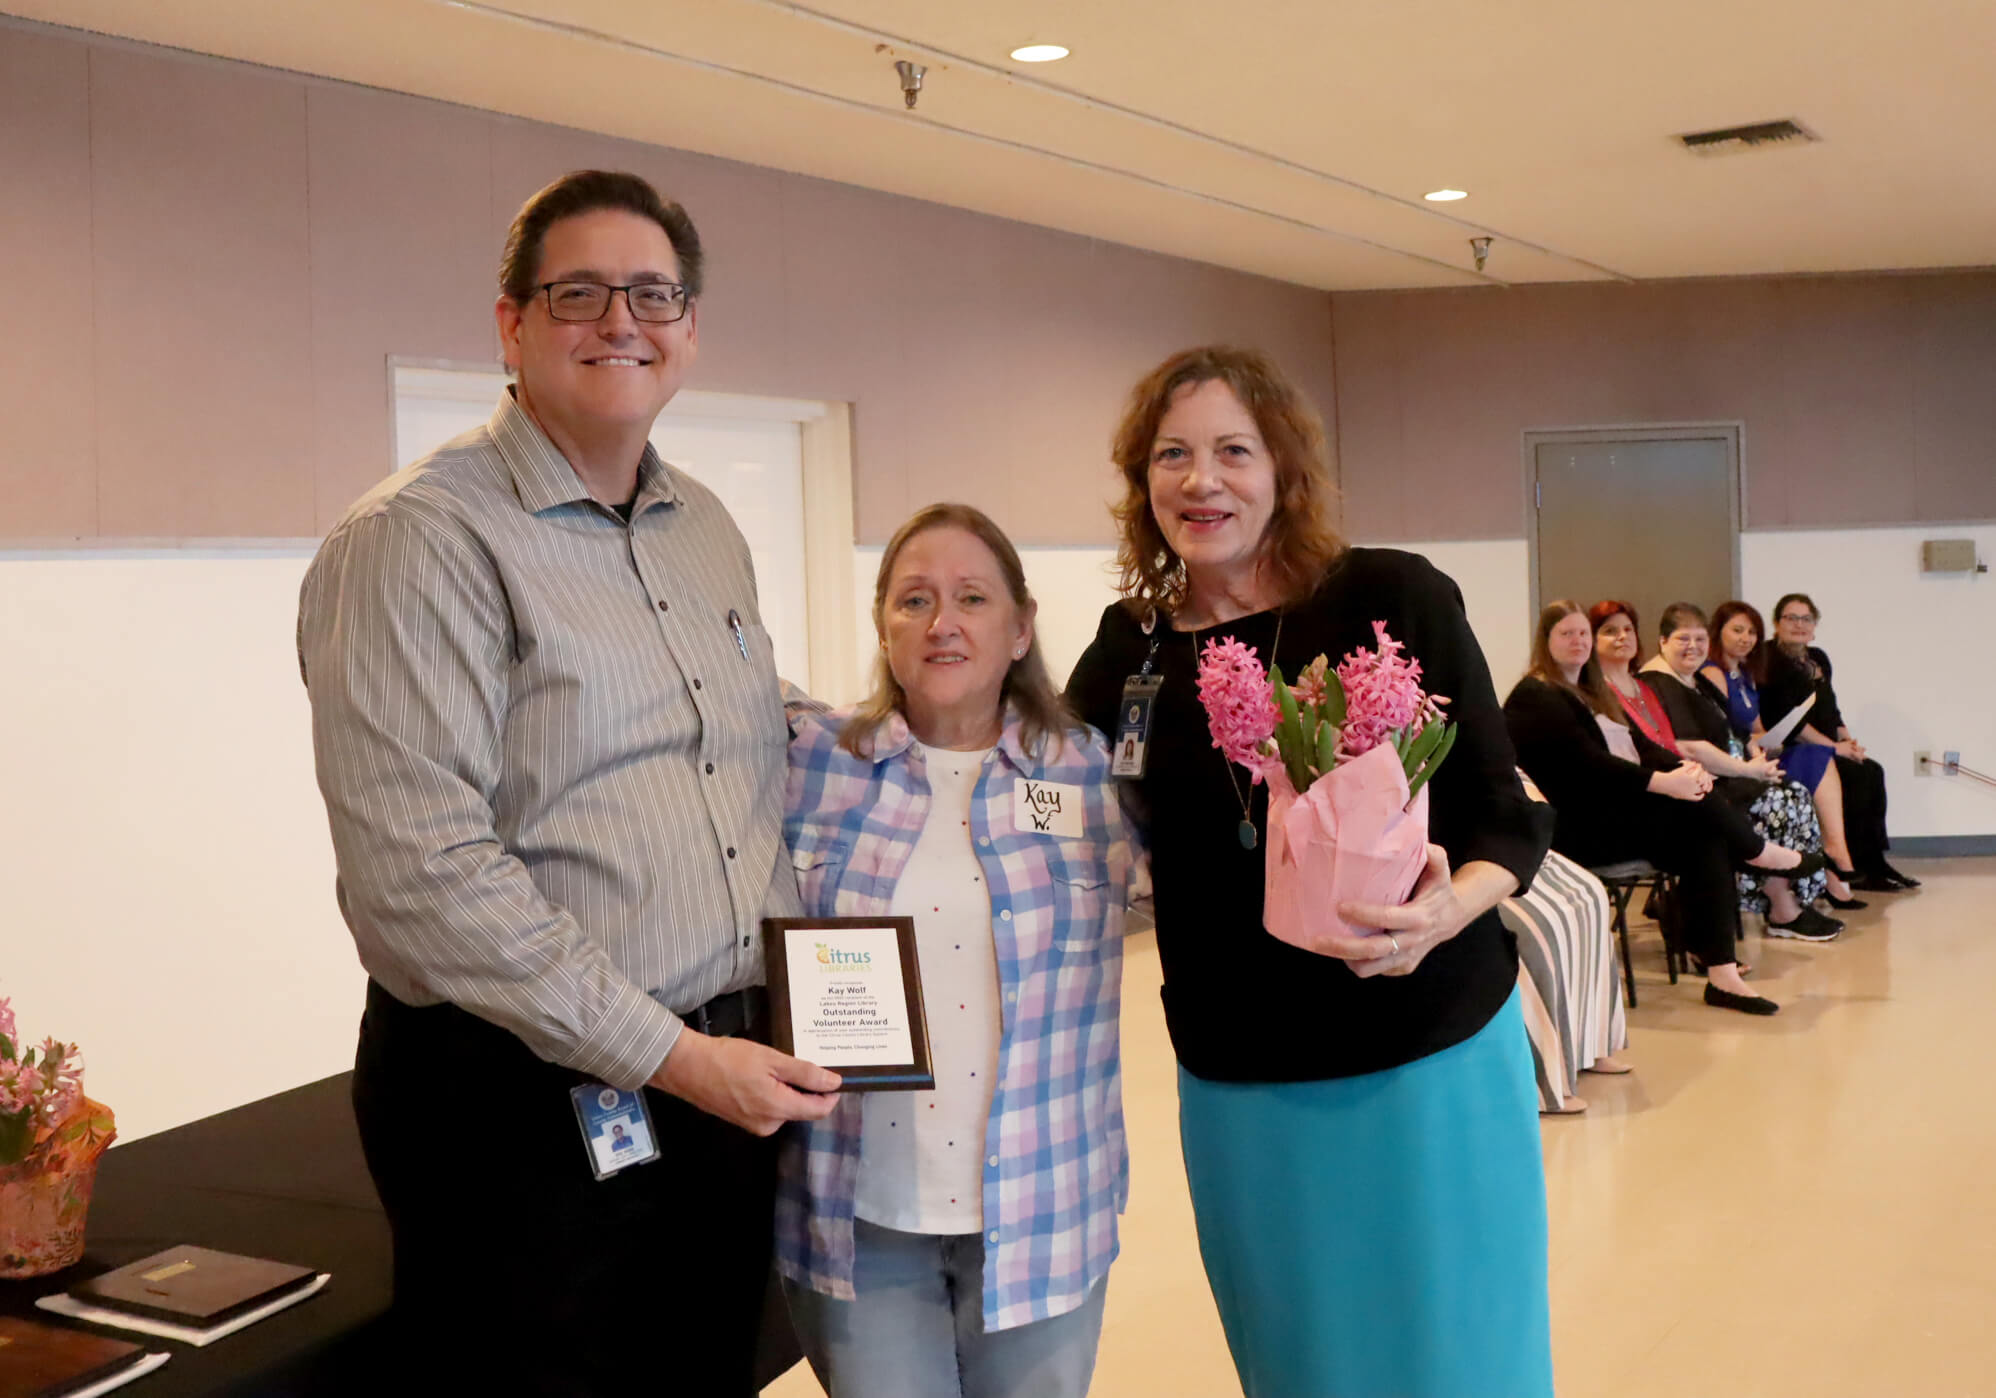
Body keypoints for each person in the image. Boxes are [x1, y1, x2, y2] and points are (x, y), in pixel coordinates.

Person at [298, 170, 839, 1397]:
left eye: (652, 294)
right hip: (517, 1103)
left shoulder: (701, 521)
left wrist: (890, 734)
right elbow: (421, 876)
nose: (620, 322)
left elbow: (725, 713)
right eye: (579, 293)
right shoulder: (420, 539)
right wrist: (676, 1058)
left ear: (690, 329)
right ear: (511, 323)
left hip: (718, 1076)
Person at [1066, 346, 1555, 1397]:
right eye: (1172, 456)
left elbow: (1501, 813)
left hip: (1425, 1052)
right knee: (1300, 1365)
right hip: (1242, 1084)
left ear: (1283, 468)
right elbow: (1052, 802)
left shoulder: (1389, 599)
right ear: (1140, 482)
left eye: (1233, 451)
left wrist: (1446, 909)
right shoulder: (1131, 652)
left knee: (1458, 1358)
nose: (1202, 482)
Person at [779, 504, 1130, 1398]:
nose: (943, 623)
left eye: (972, 598)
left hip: (1045, 1208)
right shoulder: (811, 762)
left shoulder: (1092, 775)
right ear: (882, 628)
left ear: (1020, 628)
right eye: (914, 601)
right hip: (862, 1217)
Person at [1504, 602, 1812, 1015]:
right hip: (1573, 830)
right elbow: (1590, 765)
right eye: (1567, 634)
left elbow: (1643, 747)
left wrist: (1684, 770)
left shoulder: (1592, 691)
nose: (1578, 642)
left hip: (1614, 814)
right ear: (1546, 641)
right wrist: (1667, 782)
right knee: (1694, 812)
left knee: (1707, 836)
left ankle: (1722, 975)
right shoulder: (1536, 695)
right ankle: (1759, 853)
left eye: (1582, 634)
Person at [1640, 603, 1840, 940]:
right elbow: (1691, 746)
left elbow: (1739, 729)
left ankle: (1788, 896)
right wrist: (1748, 771)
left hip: (1724, 776)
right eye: (1683, 638)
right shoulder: (1661, 682)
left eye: (1699, 638)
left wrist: (1754, 758)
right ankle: (1781, 905)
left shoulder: (1693, 680)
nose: (1693, 646)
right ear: (1662, 641)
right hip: (1694, 789)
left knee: (1794, 791)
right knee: (1780, 800)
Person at [1701, 600, 1866, 911]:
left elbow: (1758, 728)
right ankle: (1835, 853)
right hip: (1731, 764)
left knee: (1848, 765)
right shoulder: (1714, 673)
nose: (1745, 638)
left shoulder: (1746, 673)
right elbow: (1721, 730)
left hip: (1759, 754)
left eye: (1751, 632)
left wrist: (1765, 742)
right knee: (1814, 755)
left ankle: (1843, 859)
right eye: (1737, 630)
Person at [1764, 593, 1916, 891]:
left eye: (1806, 618)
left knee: (1872, 771)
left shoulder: (1817, 658)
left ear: (1815, 625)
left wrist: (1847, 739)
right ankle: (1852, 867)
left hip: (1824, 745)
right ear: (1776, 623)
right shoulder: (1770, 660)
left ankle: (1873, 862)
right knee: (1856, 778)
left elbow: (1830, 708)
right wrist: (1835, 749)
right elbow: (1792, 722)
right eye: (1791, 618)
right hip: (1793, 749)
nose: (1799, 624)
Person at [1502, 776, 1630, 1116]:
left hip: (1512, 839)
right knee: (1539, 929)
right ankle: (1547, 1081)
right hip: (1468, 856)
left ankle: (1592, 1044)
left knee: (1590, 894)